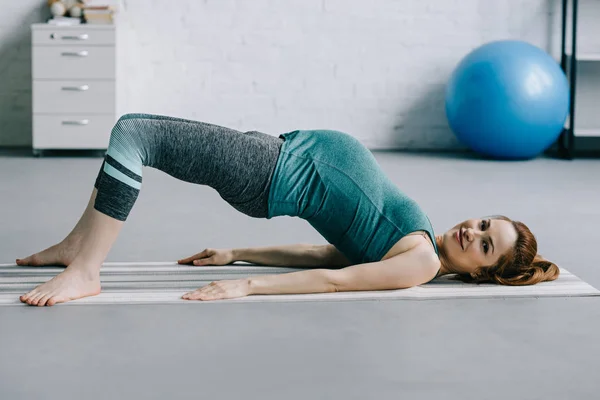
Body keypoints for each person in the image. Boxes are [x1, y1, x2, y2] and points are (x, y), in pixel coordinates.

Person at [15, 113, 560, 306]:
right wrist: (239, 254)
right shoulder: (419, 244)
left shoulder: (420, 263)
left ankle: (85, 271)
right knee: (134, 133)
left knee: (135, 134)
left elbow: (334, 282)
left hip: (269, 172)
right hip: (273, 159)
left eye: (486, 245)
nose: (473, 231)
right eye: (485, 224)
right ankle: (75, 245)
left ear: (481, 275)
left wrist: (246, 288)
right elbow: (328, 251)